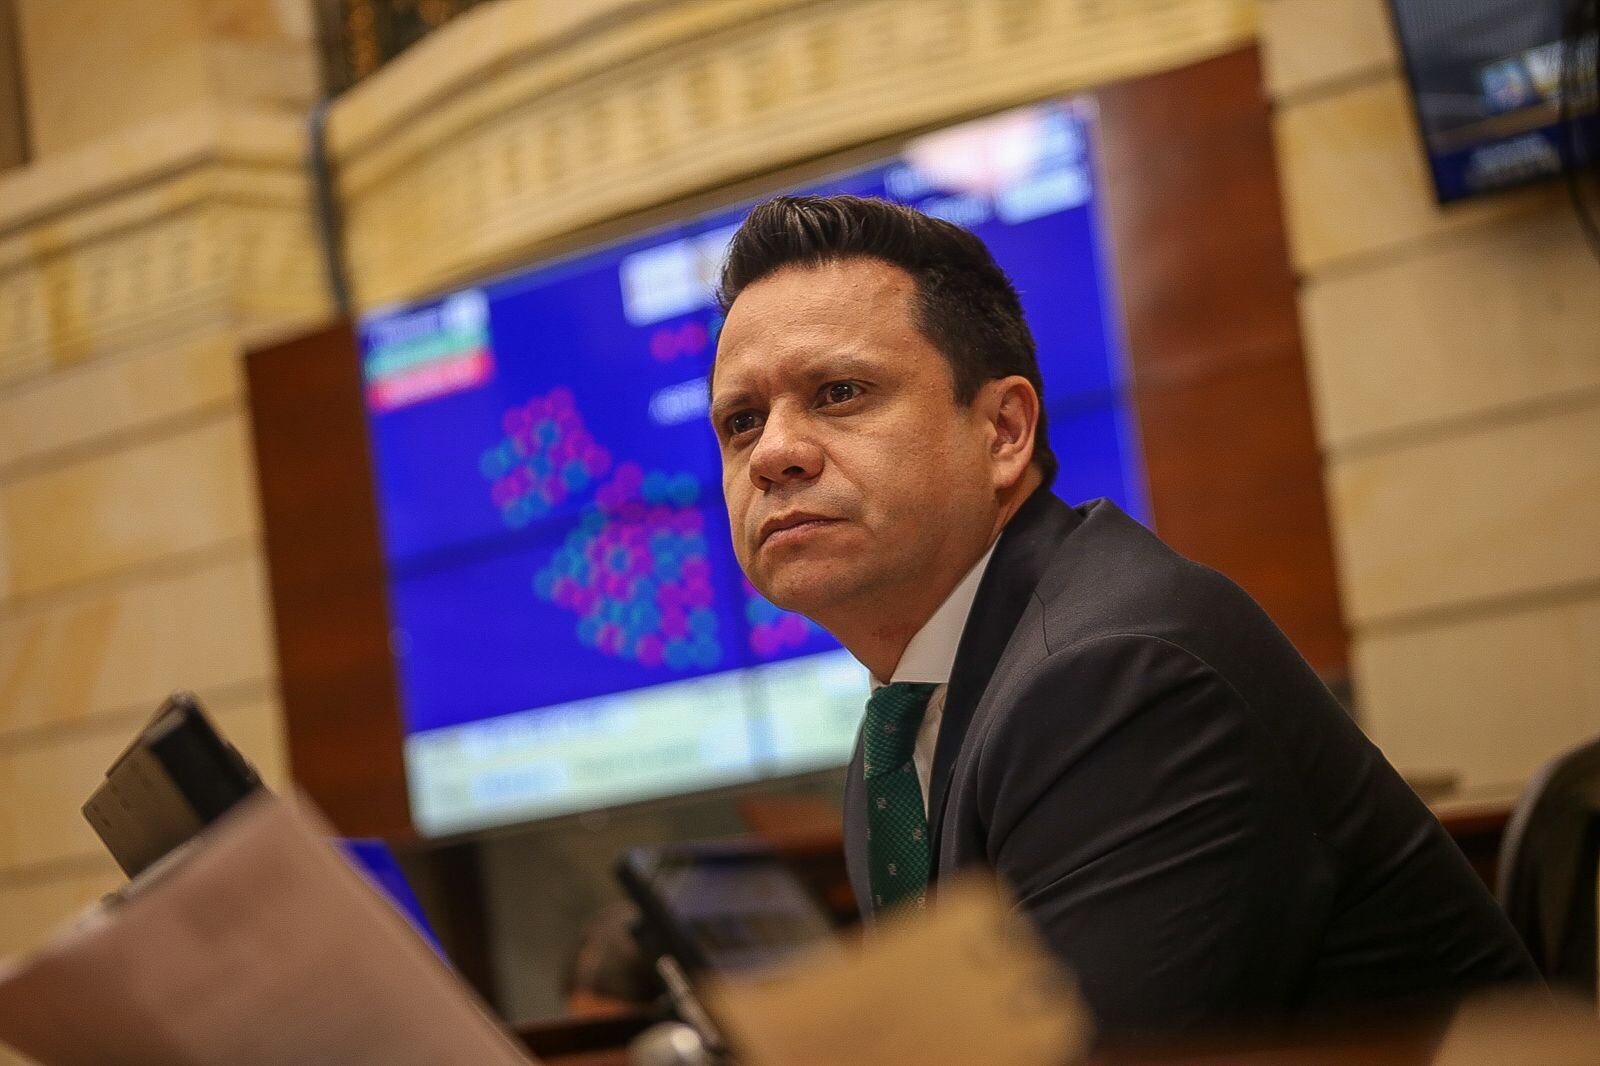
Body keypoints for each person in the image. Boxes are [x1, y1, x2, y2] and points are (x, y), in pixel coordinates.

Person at [706, 194, 1538, 1035]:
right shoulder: (900, 728)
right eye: (742, 422)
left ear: (1003, 431)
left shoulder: (1115, 672)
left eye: (839, 392)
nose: (773, 453)